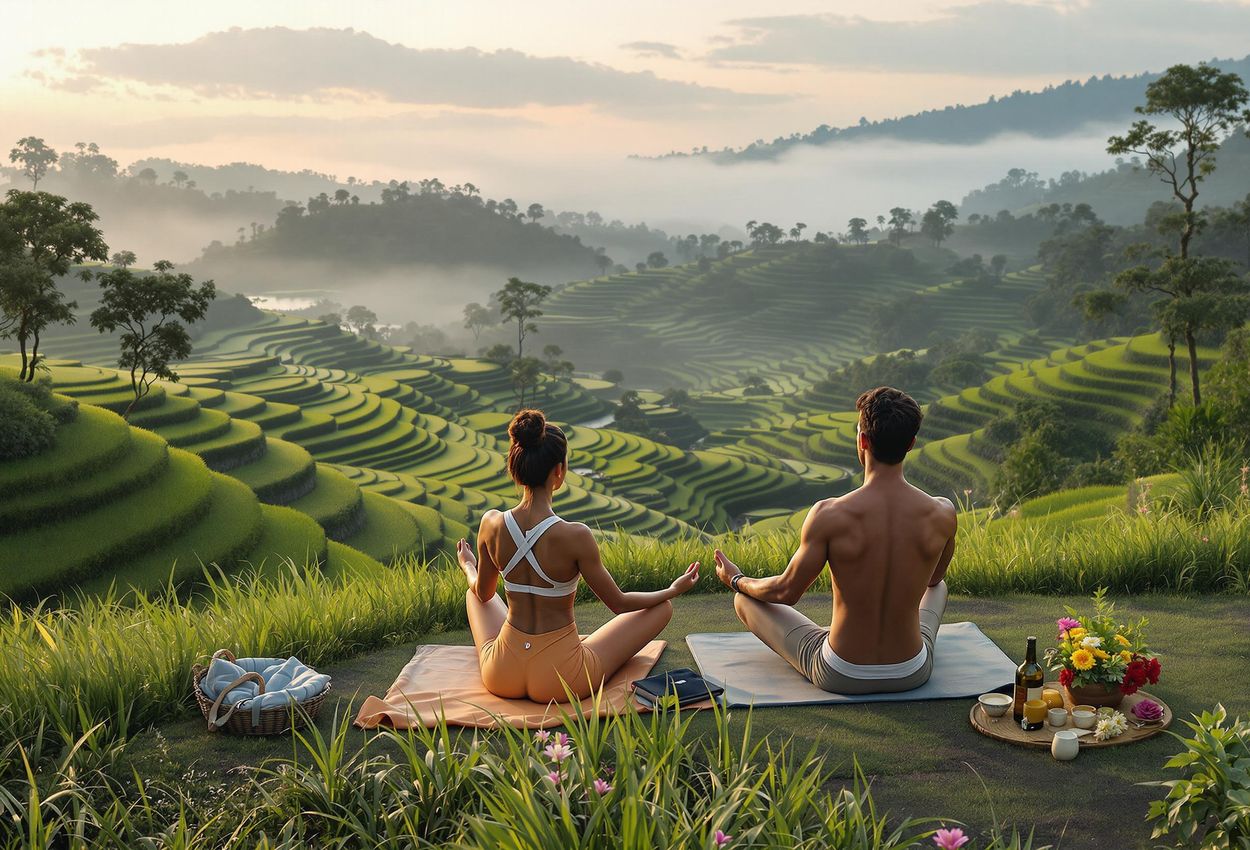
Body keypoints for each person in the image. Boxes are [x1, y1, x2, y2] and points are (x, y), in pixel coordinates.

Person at [713, 386, 956, 694]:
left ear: (863, 440)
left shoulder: (829, 514)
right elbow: (935, 578)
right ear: (911, 444)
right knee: (939, 588)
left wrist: (736, 580)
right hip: (912, 671)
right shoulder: (942, 512)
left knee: (745, 600)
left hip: (842, 672)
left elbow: (785, 592)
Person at [457, 408, 700, 703]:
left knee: (474, 595)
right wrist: (672, 590)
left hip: (501, 674)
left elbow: (483, 593)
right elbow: (619, 603)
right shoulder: (575, 535)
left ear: (515, 467)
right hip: (562, 681)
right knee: (662, 607)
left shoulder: (491, 523)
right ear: (559, 470)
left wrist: (469, 565)